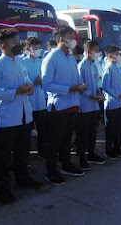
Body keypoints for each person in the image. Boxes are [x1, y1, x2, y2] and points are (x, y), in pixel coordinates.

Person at [0, 29, 43, 204]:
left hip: (24, 116)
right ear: (4, 46)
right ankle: (3, 190)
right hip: (6, 118)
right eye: (14, 42)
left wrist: (30, 87)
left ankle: (22, 180)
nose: (18, 44)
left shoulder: (20, 62)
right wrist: (15, 92)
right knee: (3, 157)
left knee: (22, 152)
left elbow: (26, 81)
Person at [42, 25, 87, 186]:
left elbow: (75, 79)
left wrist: (80, 85)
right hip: (59, 106)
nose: (74, 39)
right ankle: (51, 171)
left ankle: (66, 164)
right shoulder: (51, 58)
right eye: (71, 36)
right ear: (61, 38)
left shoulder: (70, 58)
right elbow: (46, 84)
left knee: (67, 139)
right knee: (54, 141)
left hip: (73, 104)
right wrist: (68, 89)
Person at [76, 40, 107, 171]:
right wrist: (92, 96)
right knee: (83, 133)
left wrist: (99, 94)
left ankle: (91, 153)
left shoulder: (93, 66)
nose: (98, 53)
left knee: (93, 132)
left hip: (94, 104)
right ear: (88, 51)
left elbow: (95, 84)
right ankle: (82, 157)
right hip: (84, 105)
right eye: (96, 50)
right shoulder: (81, 66)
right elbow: (80, 86)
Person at [102, 45, 121, 160]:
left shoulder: (117, 67)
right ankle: (109, 150)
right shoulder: (108, 68)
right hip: (112, 103)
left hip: (120, 102)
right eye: (117, 54)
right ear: (110, 56)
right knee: (111, 128)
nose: (119, 56)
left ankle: (117, 147)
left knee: (119, 128)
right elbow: (106, 87)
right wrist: (119, 94)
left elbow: (120, 84)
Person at [22, 37, 47, 160]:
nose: (38, 50)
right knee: (26, 131)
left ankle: (42, 151)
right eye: (35, 48)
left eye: (39, 47)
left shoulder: (41, 62)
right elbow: (22, 82)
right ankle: (25, 155)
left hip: (41, 100)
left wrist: (42, 82)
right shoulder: (22, 62)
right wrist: (34, 82)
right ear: (27, 48)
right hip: (28, 101)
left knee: (42, 129)